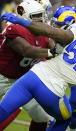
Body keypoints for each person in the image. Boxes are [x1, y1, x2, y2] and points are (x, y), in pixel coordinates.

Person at [0, 1, 57, 130]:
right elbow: (27, 50)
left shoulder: (43, 32)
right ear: (24, 16)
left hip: (22, 80)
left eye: (41, 14)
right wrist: (51, 52)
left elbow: (56, 49)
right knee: (6, 110)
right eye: (36, 15)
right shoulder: (14, 28)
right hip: (2, 76)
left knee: (42, 116)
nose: (41, 18)